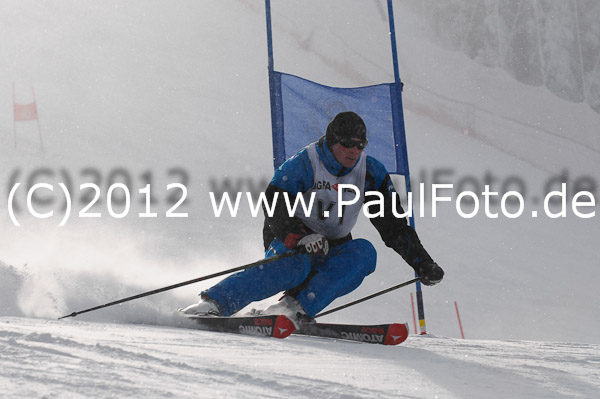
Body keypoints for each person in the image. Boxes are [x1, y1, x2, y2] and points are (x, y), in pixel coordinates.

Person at [180, 111, 444, 323]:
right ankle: (214, 303)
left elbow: (393, 226)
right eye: (347, 145)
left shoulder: (371, 172)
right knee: (296, 266)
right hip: (291, 241)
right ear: (332, 141)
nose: (354, 151)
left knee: (365, 253)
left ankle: (292, 308)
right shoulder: (305, 163)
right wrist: (300, 237)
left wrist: (422, 263)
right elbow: (274, 202)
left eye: (360, 145)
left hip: (335, 247)